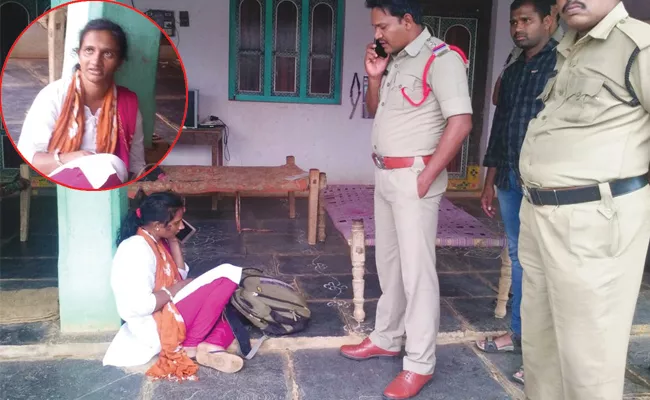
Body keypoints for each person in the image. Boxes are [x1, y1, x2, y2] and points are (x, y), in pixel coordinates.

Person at [339, 1, 473, 399]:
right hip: (386, 175)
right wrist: (375, 78)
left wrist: (427, 176)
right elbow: (374, 110)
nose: (377, 34)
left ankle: (419, 363)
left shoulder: (443, 59)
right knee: (390, 264)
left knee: (417, 274)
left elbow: (461, 122)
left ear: (409, 21)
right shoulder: (395, 60)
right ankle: (386, 336)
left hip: (415, 177)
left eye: (383, 26)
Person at [517, 0, 650, 398]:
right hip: (539, 214)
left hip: (593, 220)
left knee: (587, 362)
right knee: (540, 351)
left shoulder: (637, 45)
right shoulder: (570, 47)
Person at [476, 0, 559, 386]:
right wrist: (489, 179)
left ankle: (545, 355)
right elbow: (501, 126)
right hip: (510, 180)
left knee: (547, 266)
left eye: (526, 20)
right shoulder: (512, 73)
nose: (518, 27)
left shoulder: (563, 66)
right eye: (513, 21)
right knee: (518, 259)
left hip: (549, 185)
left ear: (549, 20)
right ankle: (520, 335)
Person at [102, 191, 244, 380]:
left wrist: (174, 242)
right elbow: (140, 306)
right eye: (176, 223)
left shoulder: (155, 240)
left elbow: (178, 276)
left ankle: (211, 346)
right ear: (158, 225)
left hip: (168, 308)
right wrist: (181, 287)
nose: (181, 226)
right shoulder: (135, 249)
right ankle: (192, 344)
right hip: (156, 324)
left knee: (231, 309)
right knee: (228, 273)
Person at [17, 18, 145, 189]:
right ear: (79, 54)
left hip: (111, 186)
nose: (96, 61)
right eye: (89, 51)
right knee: (110, 163)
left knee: (112, 165)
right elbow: (30, 158)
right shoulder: (54, 95)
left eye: (108, 54)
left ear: (119, 62)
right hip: (59, 181)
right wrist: (68, 158)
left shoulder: (128, 104)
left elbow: (137, 165)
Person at [492, 0, 564, 106]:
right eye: (514, 23)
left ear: (555, 10)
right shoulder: (519, 53)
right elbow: (497, 99)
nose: (518, 28)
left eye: (526, 20)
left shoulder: (566, 51)